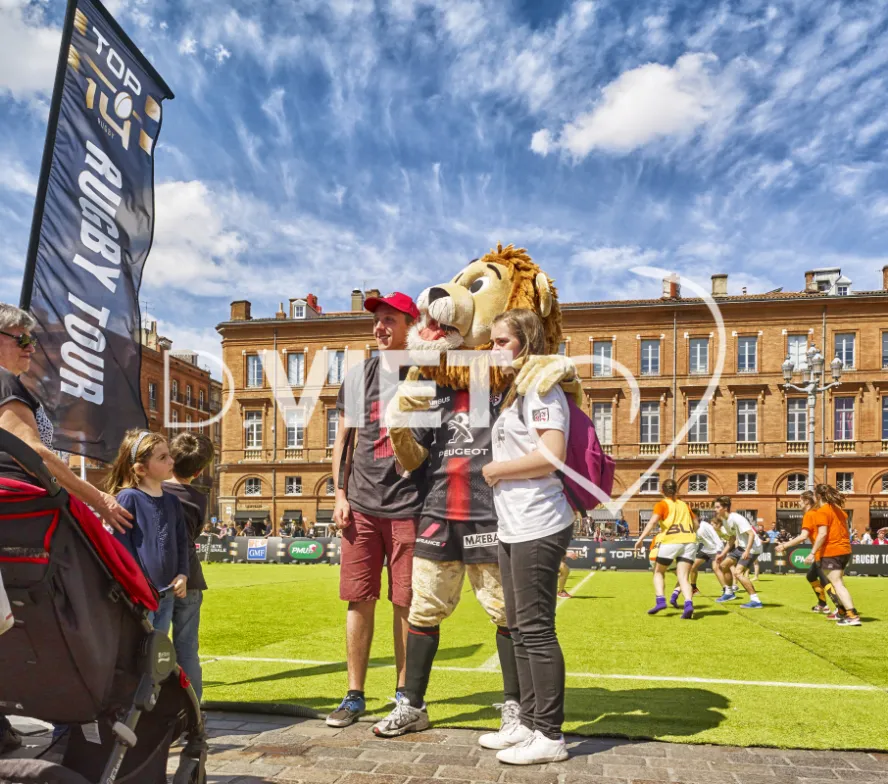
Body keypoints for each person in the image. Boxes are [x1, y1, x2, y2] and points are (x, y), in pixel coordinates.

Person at [0, 304, 135, 752]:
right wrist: (98, 499)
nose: (30, 347)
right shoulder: (4, 383)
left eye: (32, 339)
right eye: (20, 338)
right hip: (25, 521)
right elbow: (34, 453)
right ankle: (78, 706)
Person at [325, 293, 425, 729]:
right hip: (361, 505)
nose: (380, 327)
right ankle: (354, 695)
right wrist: (339, 494)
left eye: (389, 320)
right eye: (377, 320)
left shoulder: (425, 374)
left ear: (410, 327)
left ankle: (405, 695)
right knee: (359, 598)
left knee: (406, 603)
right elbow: (342, 441)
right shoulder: (358, 375)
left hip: (410, 505)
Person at [478, 308, 573, 764]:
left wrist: (496, 469)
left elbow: (552, 455)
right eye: (492, 341)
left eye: (502, 341)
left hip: (539, 520)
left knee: (535, 630)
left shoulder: (540, 387)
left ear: (526, 343)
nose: (493, 349)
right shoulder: (516, 392)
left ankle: (550, 735)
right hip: (514, 524)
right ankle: (530, 725)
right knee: (518, 628)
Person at [106, 430, 190, 632]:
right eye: (163, 457)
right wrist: (137, 585)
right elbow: (121, 548)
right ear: (141, 469)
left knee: (158, 646)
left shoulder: (173, 501)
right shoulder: (129, 498)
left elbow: (182, 542)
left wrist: (183, 574)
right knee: (138, 646)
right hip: (140, 595)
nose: (171, 461)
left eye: (169, 455)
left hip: (167, 592)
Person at [163, 432, 215, 701]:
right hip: (190, 578)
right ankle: (193, 710)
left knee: (153, 648)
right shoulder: (198, 498)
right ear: (198, 470)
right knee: (187, 650)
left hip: (159, 579)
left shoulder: (152, 491)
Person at [633, 479, 698, 620]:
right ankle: (688, 604)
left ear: (662, 491)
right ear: (677, 490)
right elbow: (696, 523)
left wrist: (640, 539)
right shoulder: (684, 505)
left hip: (671, 540)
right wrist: (690, 531)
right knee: (683, 577)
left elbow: (652, 522)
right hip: (690, 541)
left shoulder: (662, 504)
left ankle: (660, 600)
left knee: (658, 571)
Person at [776, 491, 845, 617]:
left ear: (806, 501)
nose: (799, 503)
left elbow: (803, 536)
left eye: (800, 500)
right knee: (811, 576)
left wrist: (784, 545)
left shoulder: (810, 514)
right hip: (826, 550)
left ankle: (840, 609)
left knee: (825, 580)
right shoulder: (818, 512)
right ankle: (823, 604)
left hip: (822, 552)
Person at [808, 484, 860, 626]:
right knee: (837, 582)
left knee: (837, 583)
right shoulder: (838, 510)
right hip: (845, 549)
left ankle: (852, 615)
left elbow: (822, 534)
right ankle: (843, 611)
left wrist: (812, 552)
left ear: (818, 496)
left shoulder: (822, 512)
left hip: (832, 551)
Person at [713, 498, 763, 609]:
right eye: (715, 507)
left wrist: (747, 551)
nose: (715, 509)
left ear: (725, 508)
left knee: (738, 573)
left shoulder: (737, 518)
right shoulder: (725, 520)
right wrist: (723, 554)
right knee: (723, 565)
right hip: (741, 547)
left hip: (753, 548)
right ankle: (729, 593)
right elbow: (732, 538)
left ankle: (756, 600)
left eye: (717, 507)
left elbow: (751, 534)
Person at [669, 514, 726, 604]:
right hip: (706, 549)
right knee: (692, 567)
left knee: (716, 568)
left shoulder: (705, 525)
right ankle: (694, 588)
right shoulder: (693, 528)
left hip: (716, 549)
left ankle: (727, 591)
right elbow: (695, 543)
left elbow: (716, 537)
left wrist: (719, 551)